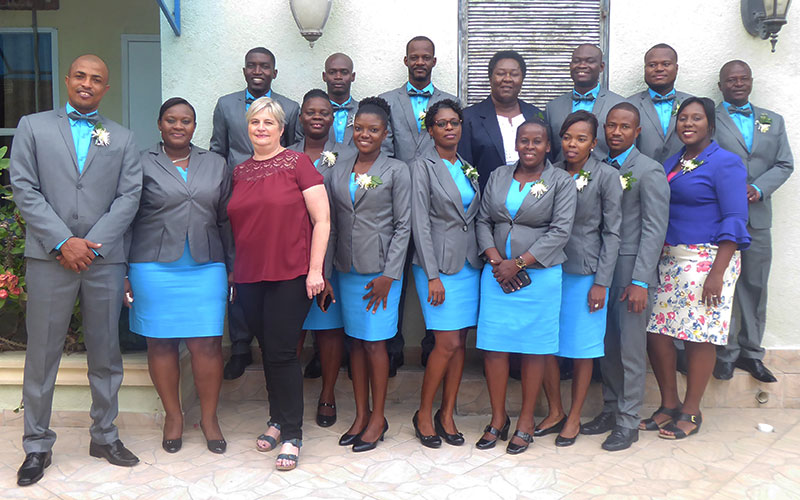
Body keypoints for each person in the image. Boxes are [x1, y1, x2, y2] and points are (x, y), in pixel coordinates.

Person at [10, 54, 142, 486]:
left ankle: (104, 435)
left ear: (107, 88)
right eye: (80, 76)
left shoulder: (122, 138)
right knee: (42, 355)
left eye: (97, 79)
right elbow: (24, 186)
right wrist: (63, 241)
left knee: (106, 353)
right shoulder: (33, 126)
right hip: (50, 258)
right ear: (67, 80)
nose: (87, 83)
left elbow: (128, 197)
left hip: (103, 261)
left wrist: (91, 246)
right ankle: (37, 445)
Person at [124, 98, 232, 455]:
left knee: (207, 344)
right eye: (171, 119)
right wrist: (123, 270)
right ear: (159, 124)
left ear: (194, 126)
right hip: (152, 266)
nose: (178, 126)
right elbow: (125, 218)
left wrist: (232, 267)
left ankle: (210, 418)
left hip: (206, 265)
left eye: (186, 120)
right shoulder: (139, 162)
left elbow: (226, 219)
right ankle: (174, 415)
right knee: (161, 342)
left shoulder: (216, 164)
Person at [227, 97, 330, 471]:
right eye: (255, 122)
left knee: (284, 352)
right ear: (247, 127)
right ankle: (275, 418)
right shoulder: (239, 171)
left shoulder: (298, 163)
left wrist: (315, 270)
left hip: (291, 274)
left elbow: (322, 220)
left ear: (281, 128)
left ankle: (292, 434)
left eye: (269, 122)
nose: (261, 128)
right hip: (250, 276)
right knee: (267, 349)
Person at [644, 97, 750, 439]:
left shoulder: (726, 163)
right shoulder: (674, 161)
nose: (688, 124)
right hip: (670, 258)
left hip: (708, 259)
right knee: (657, 332)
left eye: (696, 118)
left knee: (698, 335)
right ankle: (669, 404)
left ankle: (691, 411)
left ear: (711, 124)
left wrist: (717, 273)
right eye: (683, 118)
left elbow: (735, 217)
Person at [474, 119, 576, 455]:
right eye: (523, 141)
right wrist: (495, 260)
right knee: (495, 347)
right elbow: (484, 220)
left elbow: (560, 231)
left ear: (548, 146)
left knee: (534, 349)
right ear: (515, 144)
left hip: (540, 278)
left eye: (537, 142)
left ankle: (527, 421)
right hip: (495, 276)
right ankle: (498, 418)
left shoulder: (560, 180)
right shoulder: (499, 176)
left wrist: (517, 264)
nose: (529, 147)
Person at [323, 97, 411, 452]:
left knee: (375, 344)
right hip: (346, 269)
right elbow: (330, 226)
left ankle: (378, 418)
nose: (364, 134)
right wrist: (326, 272)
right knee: (355, 343)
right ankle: (360, 414)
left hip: (381, 274)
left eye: (373, 130)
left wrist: (390, 275)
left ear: (385, 133)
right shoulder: (339, 169)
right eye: (359, 128)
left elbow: (404, 225)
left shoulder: (396, 170)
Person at [580, 103, 669, 452]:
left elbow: (654, 229)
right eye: (611, 126)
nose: (616, 133)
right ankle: (611, 408)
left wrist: (641, 281)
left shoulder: (649, 171)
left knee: (631, 348)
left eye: (625, 127)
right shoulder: (598, 166)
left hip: (632, 271)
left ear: (638, 131)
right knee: (608, 345)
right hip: (602, 268)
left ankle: (629, 421)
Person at [210, 47, 302, 381]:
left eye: (265, 66)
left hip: (276, 198)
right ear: (245, 69)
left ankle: (273, 344)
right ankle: (239, 345)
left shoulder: (289, 108)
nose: (258, 70)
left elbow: (294, 151)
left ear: (274, 72)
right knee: (240, 265)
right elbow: (218, 150)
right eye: (252, 65)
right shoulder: (225, 104)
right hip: (239, 193)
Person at [536, 111, 622, 447]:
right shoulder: (549, 173)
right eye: (568, 137)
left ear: (594, 143)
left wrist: (602, 280)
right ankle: (555, 409)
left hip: (586, 273)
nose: (573, 144)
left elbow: (613, 233)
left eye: (581, 138)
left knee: (582, 348)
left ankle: (574, 416)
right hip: (547, 270)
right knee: (545, 344)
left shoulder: (605, 176)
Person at [712, 60, 794, 383]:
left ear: (751, 81)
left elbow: (785, 163)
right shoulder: (710, 119)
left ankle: (752, 353)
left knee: (756, 286)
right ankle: (726, 353)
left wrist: (759, 188)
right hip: (721, 219)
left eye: (743, 78)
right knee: (723, 286)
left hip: (758, 218)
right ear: (720, 86)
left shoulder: (772, 120)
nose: (737, 84)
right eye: (730, 80)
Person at [380, 36, 457, 374]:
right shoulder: (386, 101)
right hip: (394, 202)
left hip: (436, 204)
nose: (420, 62)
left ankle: (431, 345)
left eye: (426, 57)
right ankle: (392, 347)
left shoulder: (451, 103)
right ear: (406, 61)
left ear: (435, 61)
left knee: (432, 274)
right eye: (415, 57)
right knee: (394, 274)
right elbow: (382, 149)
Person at [410, 99, 481, 448]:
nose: (449, 128)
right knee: (446, 342)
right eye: (441, 123)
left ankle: (447, 413)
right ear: (430, 129)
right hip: (437, 266)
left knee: (460, 342)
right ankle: (424, 412)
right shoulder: (421, 167)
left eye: (454, 122)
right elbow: (419, 222)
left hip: (469, 265)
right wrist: (433, 274)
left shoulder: (467, 166)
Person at [288, 89, 354, 427]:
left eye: (324, 113)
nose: (317, 117)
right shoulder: (285, 155)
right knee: (293, 329)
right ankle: (290, 399)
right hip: (293, 252)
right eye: (310, 112)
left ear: (334, 119)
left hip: (335, 250)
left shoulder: (349, 153)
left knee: (329, 329)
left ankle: (327, 394)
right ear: (300, 118)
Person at [459, 50, 545, 191]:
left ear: (522, 78)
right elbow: (464, 168)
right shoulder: (469, 118)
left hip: (533, 204)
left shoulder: (536, 115)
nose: (507, 79)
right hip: (486, 204)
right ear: (490, 77)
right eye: (500, 73)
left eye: (514, 74)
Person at [545, 44, 626, 163]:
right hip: (562, 178)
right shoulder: (552, 108)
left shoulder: (619, 105)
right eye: (577, 61)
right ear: (570, 66)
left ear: (601, 67)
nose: (582, 65)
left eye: (590, 61)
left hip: (605, 178)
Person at [629, 44, 693, 164]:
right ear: (645, 69)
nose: (659, 68)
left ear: (676, 68)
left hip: (687, 178)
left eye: (666, 64)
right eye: (652, 65)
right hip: (641, 178)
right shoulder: (629, 106)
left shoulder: (694, 104)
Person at [323, 52, 359, 146]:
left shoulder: (363, 111)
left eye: (344, 72)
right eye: (332, 72)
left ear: (353, 76)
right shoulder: (313, 114)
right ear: (324, 76)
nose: (338, 77)